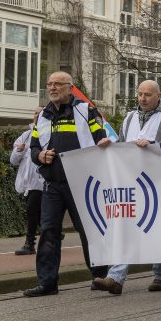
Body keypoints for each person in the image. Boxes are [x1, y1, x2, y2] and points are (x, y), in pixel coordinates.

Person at [93, 80, 161, 295]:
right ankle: (115, 277)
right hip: (132, 181)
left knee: (156, 227)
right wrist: (110, 145)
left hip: (158, 181)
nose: (142, 98)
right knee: (128, 227)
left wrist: (153, 145)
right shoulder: (130, 117)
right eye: (140, 94)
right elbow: (123, 147)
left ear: (158, 95)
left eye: (147, 95)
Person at [24, 72, 109, 297]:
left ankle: (100, 276)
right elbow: (33, 147)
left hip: (82, 182)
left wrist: (103, 142)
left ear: (70, 88)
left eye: (57, 84)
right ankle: (47, 283)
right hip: (53, 183)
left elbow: (100, 136)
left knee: (88, 231)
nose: (52, 88)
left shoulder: (85, 110)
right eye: (49, 84)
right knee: (49, 232)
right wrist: (40, 156)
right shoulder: (42, 116)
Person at [10, 108, 45, 256]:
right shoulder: (25, 136)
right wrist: (18, 151)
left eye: (41, 113)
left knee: (33, 211)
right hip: (29, 184)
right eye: (36, 113)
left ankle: (30, 243)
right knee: (35, 212)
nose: (37, 115)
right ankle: (48, 233)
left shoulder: (49, 134)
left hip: (44, 181)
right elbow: (13, 161)